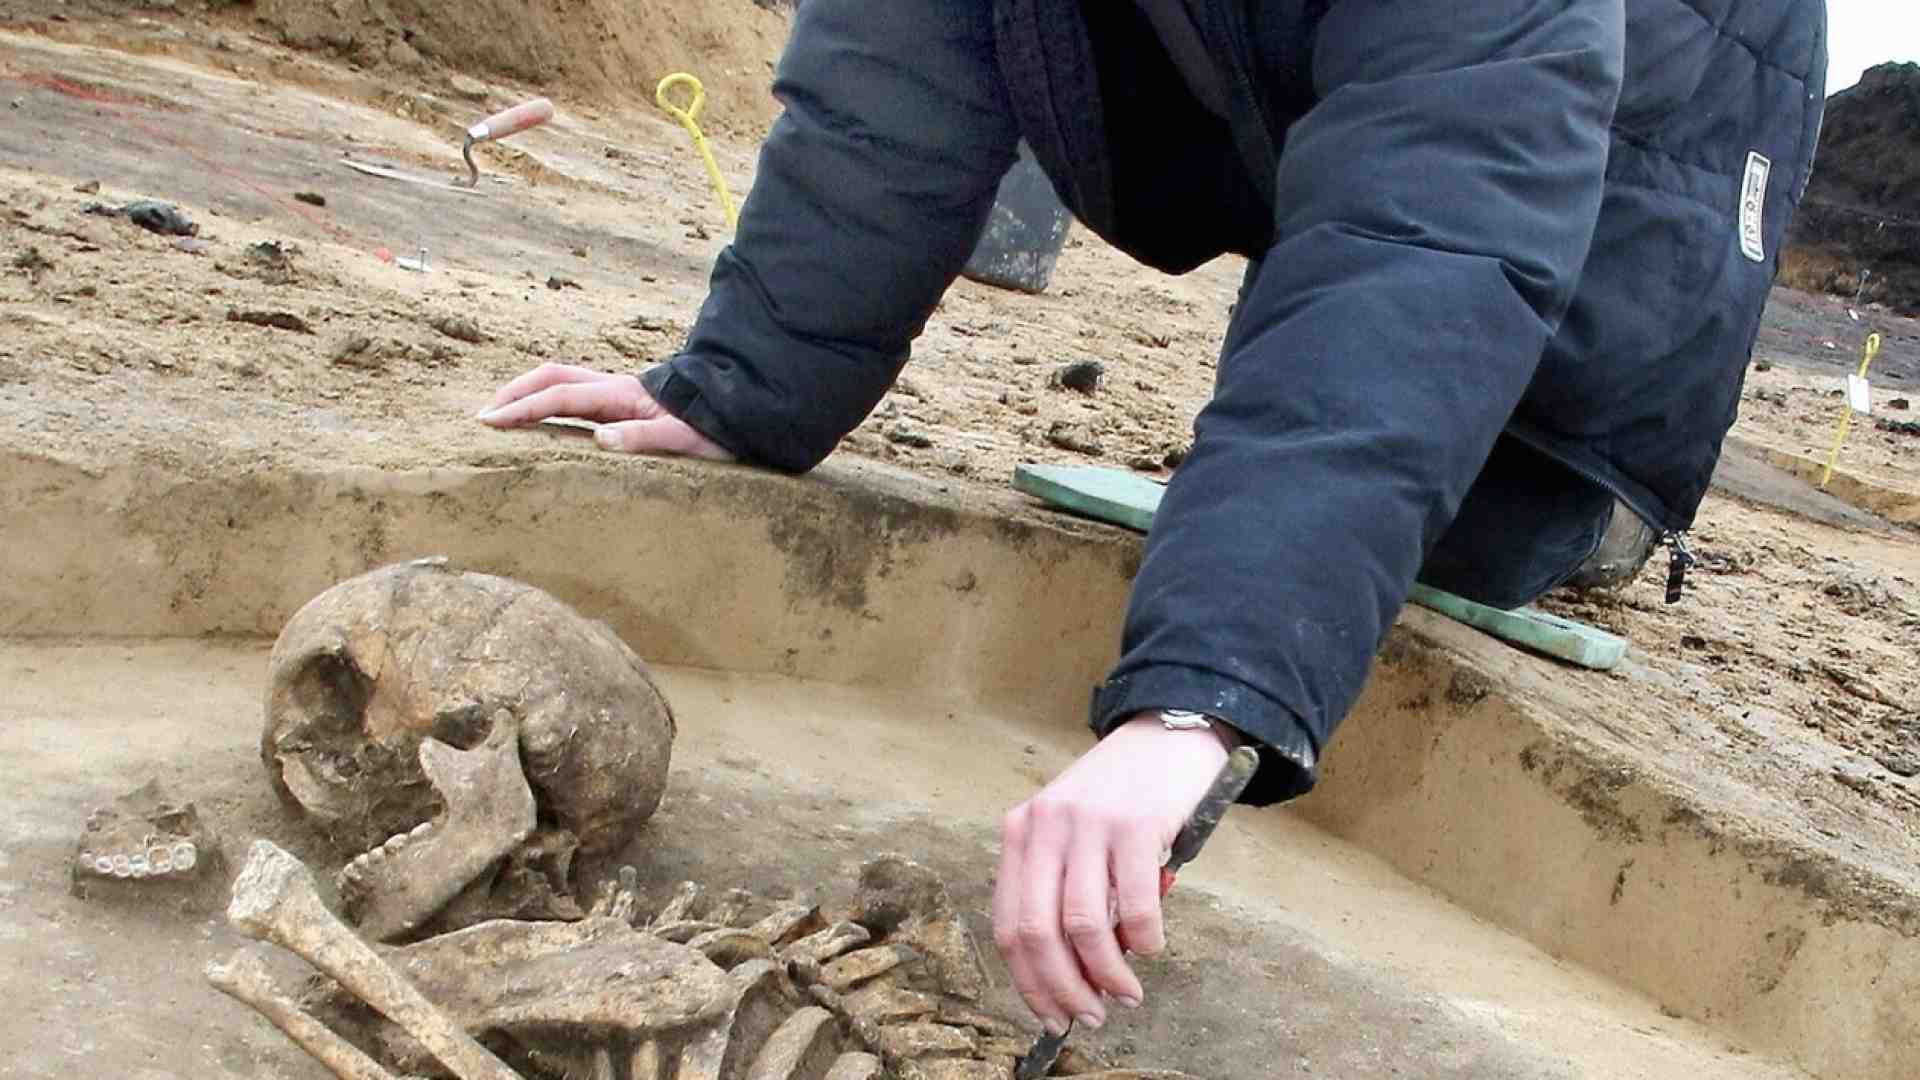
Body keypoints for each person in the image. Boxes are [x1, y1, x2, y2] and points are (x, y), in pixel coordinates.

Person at [478, 0, 1827, 1040]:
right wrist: (751, 381)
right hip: (1340, 73)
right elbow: (902, 55)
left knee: (1495, 509)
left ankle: (1604, 507)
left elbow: (1429, 242)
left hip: (1643, 132)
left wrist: (1206, 699)